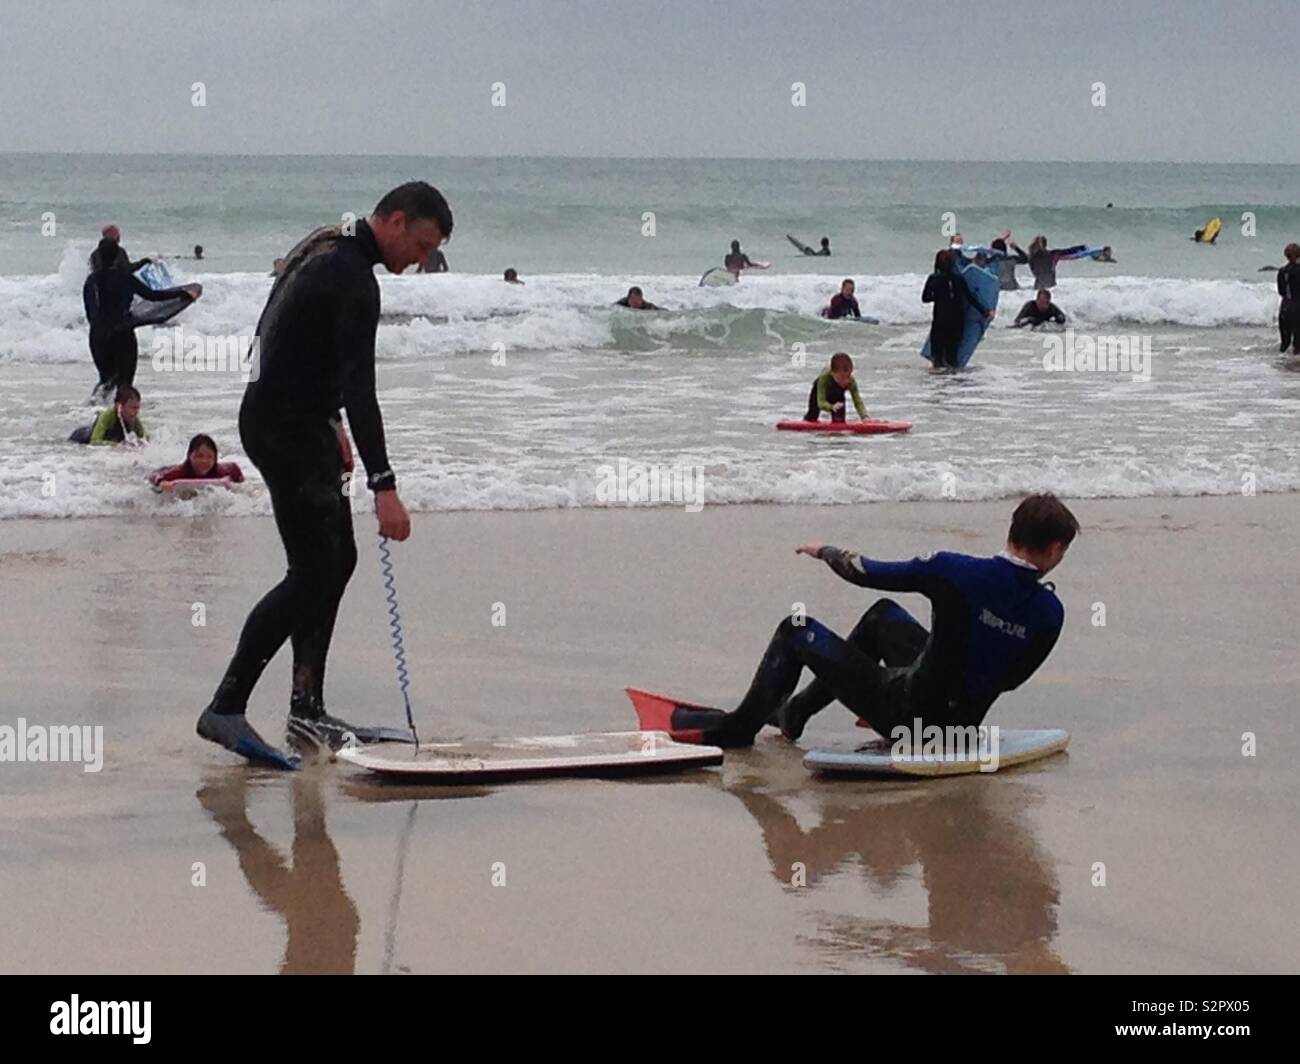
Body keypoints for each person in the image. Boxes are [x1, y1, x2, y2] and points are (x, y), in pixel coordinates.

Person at [196, 181, 454, 770]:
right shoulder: (353, 279)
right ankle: (226, 706)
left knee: (336, 562)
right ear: (392, 219)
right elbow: (361, 387)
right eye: (419, 244)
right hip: (286, 430)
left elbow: (285, 340)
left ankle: (307, 710)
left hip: (287, 418)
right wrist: (384, 485)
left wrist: (330, 422)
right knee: (313, 572)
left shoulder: (325, 246)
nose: (419, 261)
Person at [659, 493, 1079, 748]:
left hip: (905, 718)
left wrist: (825, 550)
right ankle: (797, 712)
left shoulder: (954, 569)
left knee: (796, 628)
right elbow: (1008, 679)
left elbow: (865, 571)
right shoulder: (1050, 612)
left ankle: (738, 728)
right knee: (883, 617)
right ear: (1056, 549)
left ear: (1013, 531)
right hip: (959, 732)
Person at [83, 237, 201, 398]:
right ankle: (122, 416)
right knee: (125, 383)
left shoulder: (91, 281)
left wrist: (101, 331)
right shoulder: (125, 278)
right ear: (118, 255)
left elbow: (91, 313)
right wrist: (182, 293)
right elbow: (153, 296)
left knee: (106, 380)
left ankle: (93, 411)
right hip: (122, 334)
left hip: (98, 337)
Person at [921, 249, 972, 370]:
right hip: (957, 321)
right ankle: (953, 385)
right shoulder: (959, 279)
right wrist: (986, 311)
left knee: (937, 358)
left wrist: (938, 296)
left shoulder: (933, 278)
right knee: (952, 357)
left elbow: (925, 298)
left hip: (940, 320)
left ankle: (939, 385)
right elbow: (970, 298)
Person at [149, 434, 245, 490]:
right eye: (199, 456)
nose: (204, 461)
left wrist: (241, 483)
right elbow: (154, 475)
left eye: (210, 457)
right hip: (165, 469)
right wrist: (161, 482)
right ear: (190, 456)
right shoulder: (178, 472)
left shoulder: (222, 471)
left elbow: (234, 468)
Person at [69, 385, 147, 445]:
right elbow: (95, 441)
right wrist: (117, 446)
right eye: (133, 408)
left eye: (138, 408)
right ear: (119, 406)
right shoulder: (106, 416)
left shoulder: (133, 420)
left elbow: (145, 439)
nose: (136, 412)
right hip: (81, 438)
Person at [805, 352, 868, 422]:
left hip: (837, 395)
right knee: (812, 417)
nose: (846, 381)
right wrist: (831, 407)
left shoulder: (850, 381)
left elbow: (857, 401)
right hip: (819, 392)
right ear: (832, 373)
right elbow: (821, 402)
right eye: (842, 378)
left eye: (848, 376)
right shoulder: (824, 378)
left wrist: (864, 416)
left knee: (839, 421)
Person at [88, 224, 152, 273]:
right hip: (117, 285)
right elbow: (127, 269)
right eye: (117, 234)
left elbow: (94, 270)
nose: (119, 236)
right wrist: (143, 262)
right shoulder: (119, 251)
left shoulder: (94, 254)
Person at [1278, 243, 1300, 354]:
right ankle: (1295, 368)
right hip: (1298, 309)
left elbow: (1281, 291)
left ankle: (1281, 367)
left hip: (1285, 308)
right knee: (1298, 345)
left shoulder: (1281, 271)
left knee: (1284, 344)